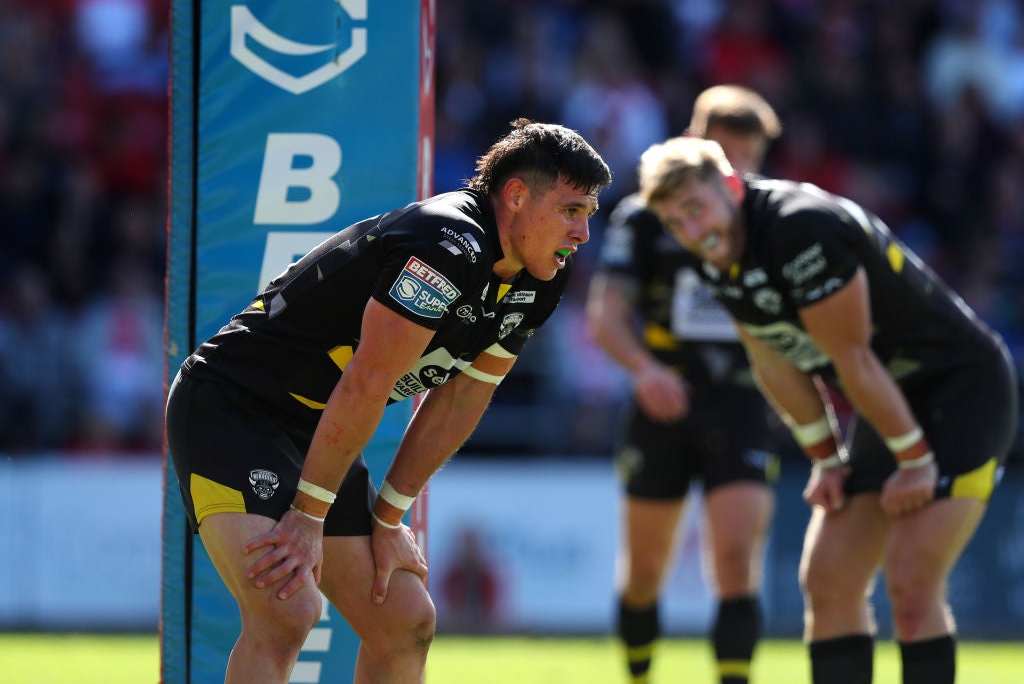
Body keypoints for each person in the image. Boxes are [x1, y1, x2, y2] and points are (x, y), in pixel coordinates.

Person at [165, 118, 612, 684]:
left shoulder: (540, 277)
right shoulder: (444, 245)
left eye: (589, 215)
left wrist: (389, 515)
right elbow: (366, 384)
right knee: (287, 608)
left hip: (312, 424)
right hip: (230, 408)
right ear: (517, 196)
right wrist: (307, 517)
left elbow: (460, 401)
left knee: (404, 619)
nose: (583, 234)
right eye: (572, 210)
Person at [635, 136, 1019, 684]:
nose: (693, 232)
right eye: (675, 223)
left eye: (695, 209)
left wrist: (914, 459)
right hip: (887, 400)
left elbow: (853, 356)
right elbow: (773, 361)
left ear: (731, 186)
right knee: (829, 578)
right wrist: (827, 458)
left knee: (911, 583)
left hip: (964, 392)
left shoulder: (799, 227)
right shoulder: (719, 255)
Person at [586, 85, 783, 684]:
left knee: (734, 560)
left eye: (749, 157)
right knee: (645, 570)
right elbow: (606, 314)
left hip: (745, 401)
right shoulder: (645, 218)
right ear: (695, 144)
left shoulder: (776, 219)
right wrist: (645, 370)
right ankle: (640, 675)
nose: (738, 171)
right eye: (727, 155)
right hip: (664, 400)